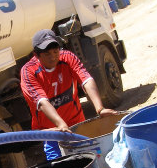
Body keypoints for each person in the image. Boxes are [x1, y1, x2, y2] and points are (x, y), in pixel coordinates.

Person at [20, 29, 117, 160]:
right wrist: (60, 125)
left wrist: (100, 108)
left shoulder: (67, 58)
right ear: (36, 55)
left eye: (55, 51)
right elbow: (42, 102)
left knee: (91, 160)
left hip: (77, 125)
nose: (53, 56)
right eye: (47, 54)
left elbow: (86, 80)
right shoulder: (28, 71)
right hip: (52, 132)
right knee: (60, 166)